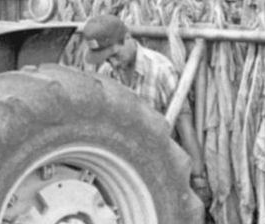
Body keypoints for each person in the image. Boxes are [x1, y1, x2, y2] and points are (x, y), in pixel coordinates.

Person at [80, 14, 209, 199]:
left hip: (159, 166)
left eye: (115, 55)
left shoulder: (161, 70)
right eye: (108, 59)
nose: (114, 63)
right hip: (121, 167)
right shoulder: (107, 72)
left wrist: (198, 179)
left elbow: (185, 127)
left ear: (127, 38)